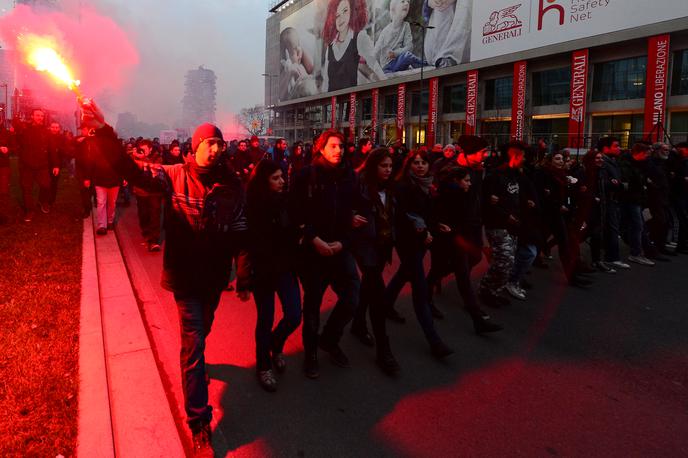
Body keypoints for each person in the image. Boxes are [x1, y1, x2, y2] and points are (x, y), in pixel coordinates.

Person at [83, 98, 250, 453]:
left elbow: (240, 231)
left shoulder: (232, 186)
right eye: (210, 142)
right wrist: (104, 131)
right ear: (195, 147)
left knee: (203, 331)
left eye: (220, 143)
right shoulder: (174, 175)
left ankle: (200, 364)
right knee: (193, 345)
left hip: (215, 278)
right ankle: (198, 420)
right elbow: (132, 170)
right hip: (185, 277)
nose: (216, 149)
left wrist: (244, 273)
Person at [291, 129, 361, 379]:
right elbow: (294, 213)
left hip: (341, 249)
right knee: (313, 305)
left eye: (341, 146)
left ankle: (329, 339)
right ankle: (310, 354)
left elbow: (354, 213)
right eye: (333, 146)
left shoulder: (349, 177)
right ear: (321, 148)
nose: (338, 151)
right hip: (313, 253)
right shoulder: (305, 175)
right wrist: (313, 239)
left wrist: (344, 243)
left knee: (352, 297)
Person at [383, 149, 454, 358]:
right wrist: (423, 233)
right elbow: (405, 217)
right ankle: (434, 340)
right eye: (416, 162)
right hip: (408, 242)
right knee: (420, 288)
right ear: (409, 165)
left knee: (403, 274)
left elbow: (427, 213)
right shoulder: (403, 186)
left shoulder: (428, 185)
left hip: (423, 240)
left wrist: (435, 225)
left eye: (423, 162)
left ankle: (385, 303)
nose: (420, 166)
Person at [246, 160, 302, 392]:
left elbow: (295, 229)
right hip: (264, 271)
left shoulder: (287, 202)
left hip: (286, 268)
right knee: (265, 318)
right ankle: (263, 364)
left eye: (282, 177)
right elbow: (249, 241)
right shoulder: (254, 205)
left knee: (294, 314)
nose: (281, 181)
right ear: (264, 181)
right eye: (275, 178)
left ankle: (275, 344)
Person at [431, 163, 503, 333]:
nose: (469, 184)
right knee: (437, 274)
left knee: (462, 280)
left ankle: (477, 319)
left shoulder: (463, 194)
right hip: (445, 243)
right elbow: (440, 218)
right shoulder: (446, 195)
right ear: (457, 181)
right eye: (467, 181)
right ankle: (426, 300)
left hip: (457, 243)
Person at [349, 147, 400, 373]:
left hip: (382, 246)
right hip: (364, 246)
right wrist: (350, 217)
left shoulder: (391, 188)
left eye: (390, 166)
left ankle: (358, 324)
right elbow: (343, 206)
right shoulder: (360, 186)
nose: (388, 170)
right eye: (383, 166)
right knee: (377, 294)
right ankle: (384, 349)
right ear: (373, 166)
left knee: (369, 289)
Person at [321, 0, 386, 92]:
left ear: (352, 11)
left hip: (351, 102)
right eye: (337, 15)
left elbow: (374, 63)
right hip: (332, 104)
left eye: (345, 11)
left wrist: (387, 83)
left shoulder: (359, 37)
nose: (341, 18)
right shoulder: (330, 47)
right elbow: (325, 83)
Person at [76, 123, 122, 234]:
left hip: (114, 180)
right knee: (101, 202)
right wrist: (87, 178)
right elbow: (90, 162)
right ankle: (102, 225)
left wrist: (124, 177)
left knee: (112, 203)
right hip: (100, 179)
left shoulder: (118, 147)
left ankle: (110, 220)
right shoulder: (96, 146)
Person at [15, 109, 59, 221]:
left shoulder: (46, 131)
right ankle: (29, 210)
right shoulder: (25, 130)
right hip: (27, 165)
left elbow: (52, 149)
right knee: (27, 189)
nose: (40, 118)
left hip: (42, 165)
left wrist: (55, 165)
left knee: (46, 185)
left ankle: (42, 202)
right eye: (37, 115)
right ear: (32, 116)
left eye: (41, 116)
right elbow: (17, 141)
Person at [618, 142, 655, 266]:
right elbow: (627, 183)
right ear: (639, 153)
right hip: (631, 199)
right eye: (646, 154)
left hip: (635, 198)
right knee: (637, 225)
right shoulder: (628, 165)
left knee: (638, 225)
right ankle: (636, 253)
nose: (647, 157)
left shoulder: (635, 163)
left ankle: (638, 251)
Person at [598, 137, 630, 269]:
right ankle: (612, 257)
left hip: (613, 199)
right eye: (616, 146)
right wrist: (619, 185)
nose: (619, 148)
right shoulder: (603, 162)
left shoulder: (613, 161)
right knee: (611, 228)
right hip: (608, 200)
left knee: (611, 228)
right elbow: (604, 182)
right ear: (606, 148)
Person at [374, 0, 425, 74]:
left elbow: (409, 47)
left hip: (400, 61)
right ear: (393, 9)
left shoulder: (406, 26)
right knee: (407, 56)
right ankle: (424, 64)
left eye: (408, 2)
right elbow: (376, 51)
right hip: (388, 66)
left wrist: (395, 53)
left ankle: (423, 65)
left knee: (407, 56)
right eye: (403, 1)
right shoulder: (385, 31)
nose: (407, 3)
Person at [133, 139, 164, 251]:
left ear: (150, 149)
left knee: (155, 214)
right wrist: (136, 157)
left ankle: (154, 240)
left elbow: (155, 167)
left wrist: (143, 160)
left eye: (145, 149)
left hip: (155, 191)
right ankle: (146, 232)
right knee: (143, 214)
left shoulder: (157, 156)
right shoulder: (136, 157)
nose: (143, 152)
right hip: (141, 191)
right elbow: (134, 168)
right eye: (141, 149)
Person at [423, 0, 471, 68]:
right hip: (435, 53)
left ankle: (450, 55)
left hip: (464, 51)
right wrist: (429, 2)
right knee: (441, 4)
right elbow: (425, 14)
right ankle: (443, 56)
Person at [672, 142, 688, 254]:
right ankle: (681, 245)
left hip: (682, 194)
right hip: (679, 194)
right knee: (682, 220)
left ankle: (682, 244)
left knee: (684, 220)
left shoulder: (681, 161)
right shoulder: (677, 161)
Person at [47, 121, 66, 206]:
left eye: (56, 127)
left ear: (59, 128)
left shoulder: (62, 138)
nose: (55, 129)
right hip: (46, 164)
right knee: (46, 183)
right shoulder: (46, 137)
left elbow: (63, 152)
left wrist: (58, 165)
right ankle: (45, 200)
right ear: (50, 128)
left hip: (57, 165)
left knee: (54, 183)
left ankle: (51, 201)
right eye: (53, 127)